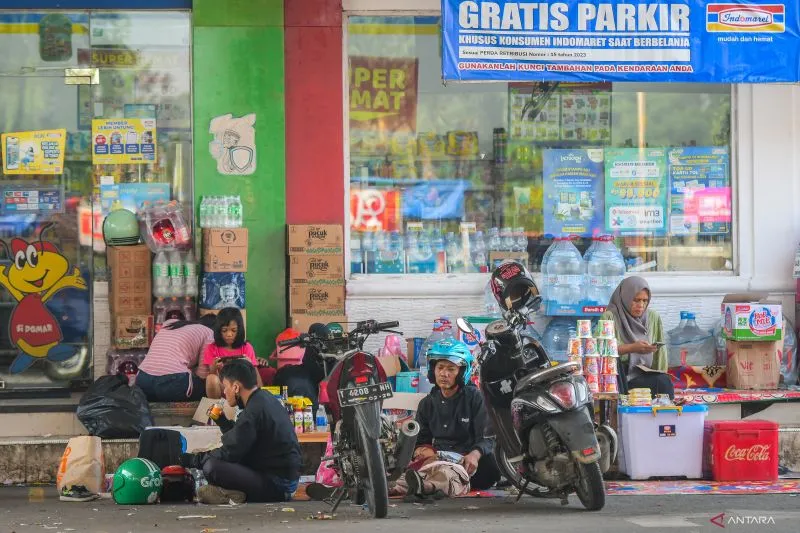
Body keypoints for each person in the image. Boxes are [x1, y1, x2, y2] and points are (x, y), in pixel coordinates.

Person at [180, 359, 302, 504]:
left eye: (225, 387)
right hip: (279, 477)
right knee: (215, 461)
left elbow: (231, 451)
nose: (225, 392)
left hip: (278, 485)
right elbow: (241, 438)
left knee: (212, 466)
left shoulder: (253, 410)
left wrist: (193, 460)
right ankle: (232, 493)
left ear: (236, 387)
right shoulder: (264, 399)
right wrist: (222, 421)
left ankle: (234, 495)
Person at [395, 339, 499, 501]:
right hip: (438, 459)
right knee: (407, 477)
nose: (444, 374)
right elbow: (420, 439)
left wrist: (474, 454)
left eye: (451, 369)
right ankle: (388, 489)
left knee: (447, 475)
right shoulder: (427, 403)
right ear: (432, 370)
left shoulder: (475, 398)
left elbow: (487, 439)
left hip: (468, 463)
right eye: (440, 368)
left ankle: (427, 487)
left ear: (462, 372)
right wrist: (421, 450)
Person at [600, 276, 674, 399]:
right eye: (636, 300)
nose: (641, 305)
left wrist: (661, 371)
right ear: (625, 297)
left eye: (645, 301)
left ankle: (665, 414)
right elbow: (601, 351)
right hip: (617, 378)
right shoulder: (610, 317)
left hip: (644, 372)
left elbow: (660, 354)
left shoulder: (652, 317)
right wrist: (631, 348)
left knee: (663, 382)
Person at [135, 315, 216, 402]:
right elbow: (202, 374)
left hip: (143, 381)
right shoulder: (209, 333)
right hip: (173, 384)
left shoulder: (170, 323)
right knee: (207, 388)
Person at [200, 308, 264, 398]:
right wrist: (214, 369)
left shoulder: (246, 347)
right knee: (211, 378)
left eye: (233, 330)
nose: (229, 334)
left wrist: (250, 365)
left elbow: (258, 383)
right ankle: (216, 410)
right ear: (218, 331)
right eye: (224, 330)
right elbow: (212, 378)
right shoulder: (212, 348)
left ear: (240, 330)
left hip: (242, 389)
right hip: (223, 390)